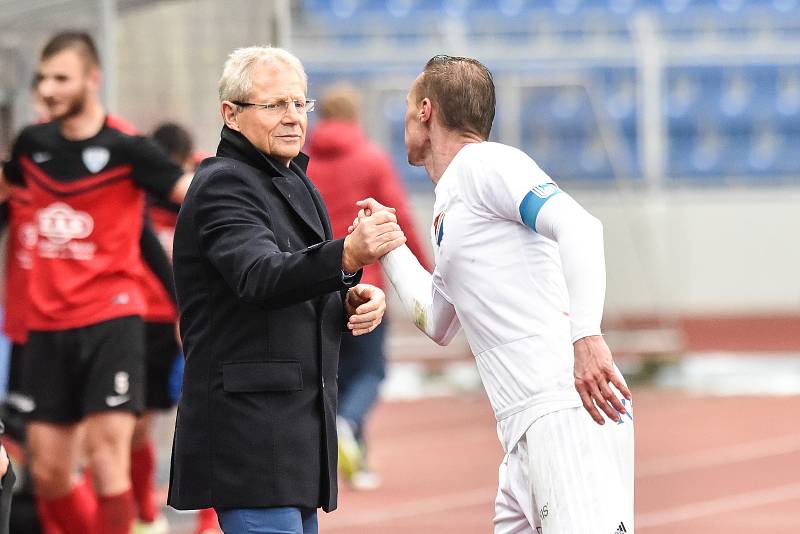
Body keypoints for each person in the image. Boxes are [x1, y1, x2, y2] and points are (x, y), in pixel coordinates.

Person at [354, 55, 635, 534]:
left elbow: (581, 227)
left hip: (564, 408)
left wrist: (586, 335)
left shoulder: (486, 163)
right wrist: (392, 248)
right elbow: (440, 321)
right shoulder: (453, 203)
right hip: (523, 426)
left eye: (405, 105)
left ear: (425, 110)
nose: (401, 117)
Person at [167, 46, 405, 534]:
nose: (294, 117)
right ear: (230, 114)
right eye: (275, 105)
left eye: (300, 104)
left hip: (292, 443)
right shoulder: (223, 184)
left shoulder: (293, 178)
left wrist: (349, 295)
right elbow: (259, 276)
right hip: (251, 441)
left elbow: (292, 287)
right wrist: (346, 256)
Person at [0, 31, 192, 534]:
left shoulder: (128, 149)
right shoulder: (30, 145)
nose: (47, 88)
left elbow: (191, 196)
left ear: (92, 79)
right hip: (45, 326)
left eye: (60, 78)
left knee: (107, 458)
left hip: (112, 319)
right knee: (49, 473)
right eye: (42, 78)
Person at [305, 83, 431, 489]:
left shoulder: (301, 162)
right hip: (366, 285)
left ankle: (350, 459)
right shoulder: (370, 158)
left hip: (315, 282)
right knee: (371, 372)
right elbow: (399, 219)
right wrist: (425, 273)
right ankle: (348, 424)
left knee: (334, 374)